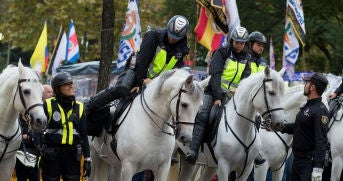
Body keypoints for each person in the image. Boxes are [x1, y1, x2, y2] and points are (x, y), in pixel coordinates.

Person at [86, 15, 190, 113]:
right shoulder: (153, 36)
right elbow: (142, 62)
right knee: (122, 89)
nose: (172, 39)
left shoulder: (183, 49)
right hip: (138, 72)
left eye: (175, 38)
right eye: (171, 35)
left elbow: (177, 70)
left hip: (158, 83)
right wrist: (140, 82)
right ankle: (88, 107)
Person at [39, 72, 91, 181]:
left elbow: (84, 136)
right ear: (58, 89)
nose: (71, 86)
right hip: (51, 158)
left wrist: (88, 158)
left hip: (72, 157)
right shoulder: (47, 105)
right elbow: (38, 130)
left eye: (71, 83)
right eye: (67, 84)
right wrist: (41, 149)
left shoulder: (80, 107)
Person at [185, 25, 251, 163]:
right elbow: (215, 75)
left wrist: (239, 89)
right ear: (232, 40)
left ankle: (254, 151)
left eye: (242, 43)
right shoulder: (221, 52)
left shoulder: (247, 57)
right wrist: (218, 97)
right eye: (237, 42)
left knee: (251, 116)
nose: (240, 45)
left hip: (234, 96)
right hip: (215, 92)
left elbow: (246, 77)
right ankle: (193, 149)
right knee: (204, 114)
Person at [15, 114, 43, 181]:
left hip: (33, 158)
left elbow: (38, 138)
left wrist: (29, 138)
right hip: (21, 157)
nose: (27, 116)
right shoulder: (18, 123)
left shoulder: (34, 123)